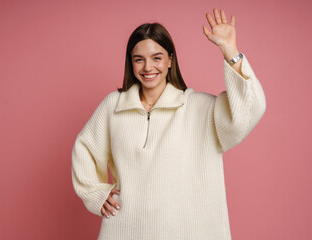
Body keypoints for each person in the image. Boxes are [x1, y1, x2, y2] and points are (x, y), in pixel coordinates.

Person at [71, 8, 266, 240]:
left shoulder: (199, 107)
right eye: (139, 59)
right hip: (125, 230)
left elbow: (249, 111)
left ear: (170, 60)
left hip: (188, 231)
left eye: (157, 57)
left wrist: (230, 51)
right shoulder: (114, 106)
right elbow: (85, 149)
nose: (148, 68)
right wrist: (96, 194)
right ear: (131, 63)